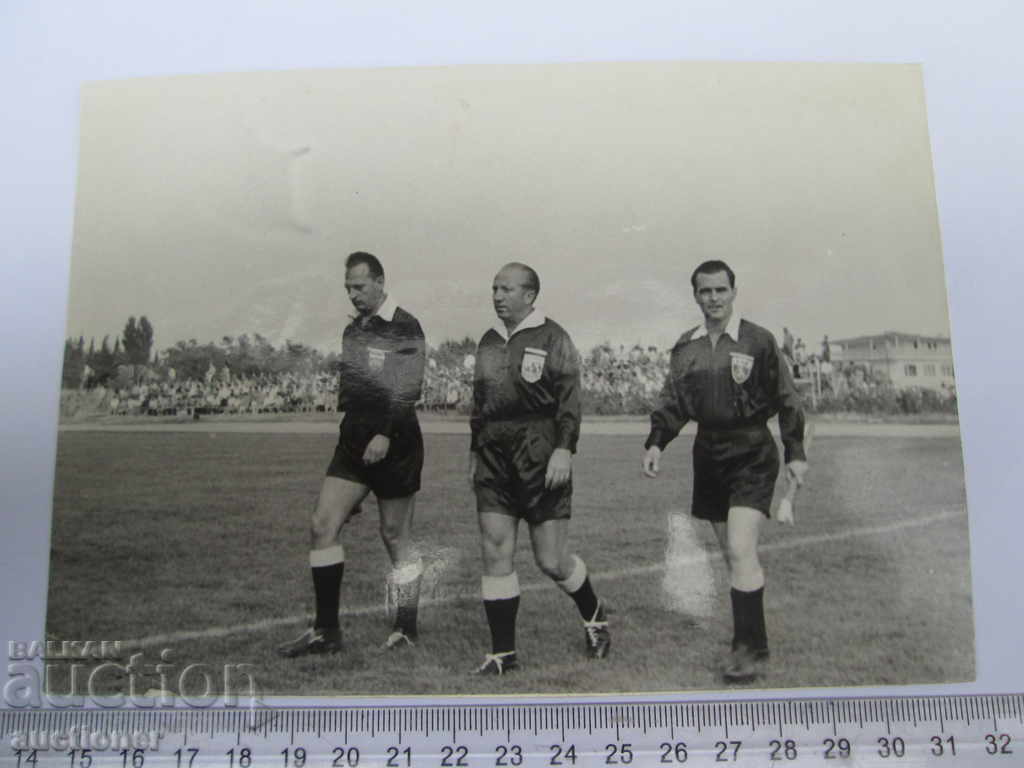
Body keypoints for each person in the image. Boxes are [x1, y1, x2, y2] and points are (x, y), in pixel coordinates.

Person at [641, 259, 807, 684]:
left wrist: (795, 451)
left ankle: (745, 650)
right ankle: (757, 641)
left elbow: (787, 399)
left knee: (738, 547)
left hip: (752, 450)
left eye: (720, 290)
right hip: (708, 453)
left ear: (734, 292)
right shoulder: (687, 347)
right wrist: (657, 442)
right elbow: (673, 401)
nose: (713, 298)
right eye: (705, 291)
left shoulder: (758, 340)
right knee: (731, 554)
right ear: (695, 295)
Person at [277, 251, 427, 657]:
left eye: (359, 286)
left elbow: (407, 387)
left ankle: (406, 626)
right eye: (347, 287)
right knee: (322, 524)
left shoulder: (405, 325)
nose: (352, 294)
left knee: (395, 536)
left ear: (380, 282)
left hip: (394, 443)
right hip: (353, 444)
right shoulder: (354, 330)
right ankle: (327, 632)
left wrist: (384, 433)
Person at [468, 263, 611, 675]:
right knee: (495, 550)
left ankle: (594, 614)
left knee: (550, 560)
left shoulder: (554, 336)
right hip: (494, 455)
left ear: (529, 295)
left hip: (540, 451)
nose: (497, 295)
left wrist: (564, 449)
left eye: (506, 289)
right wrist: (475, 450)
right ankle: (503, 655)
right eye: (494, 287)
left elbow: (570, 401)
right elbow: (480, 403)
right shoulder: (488, 341)